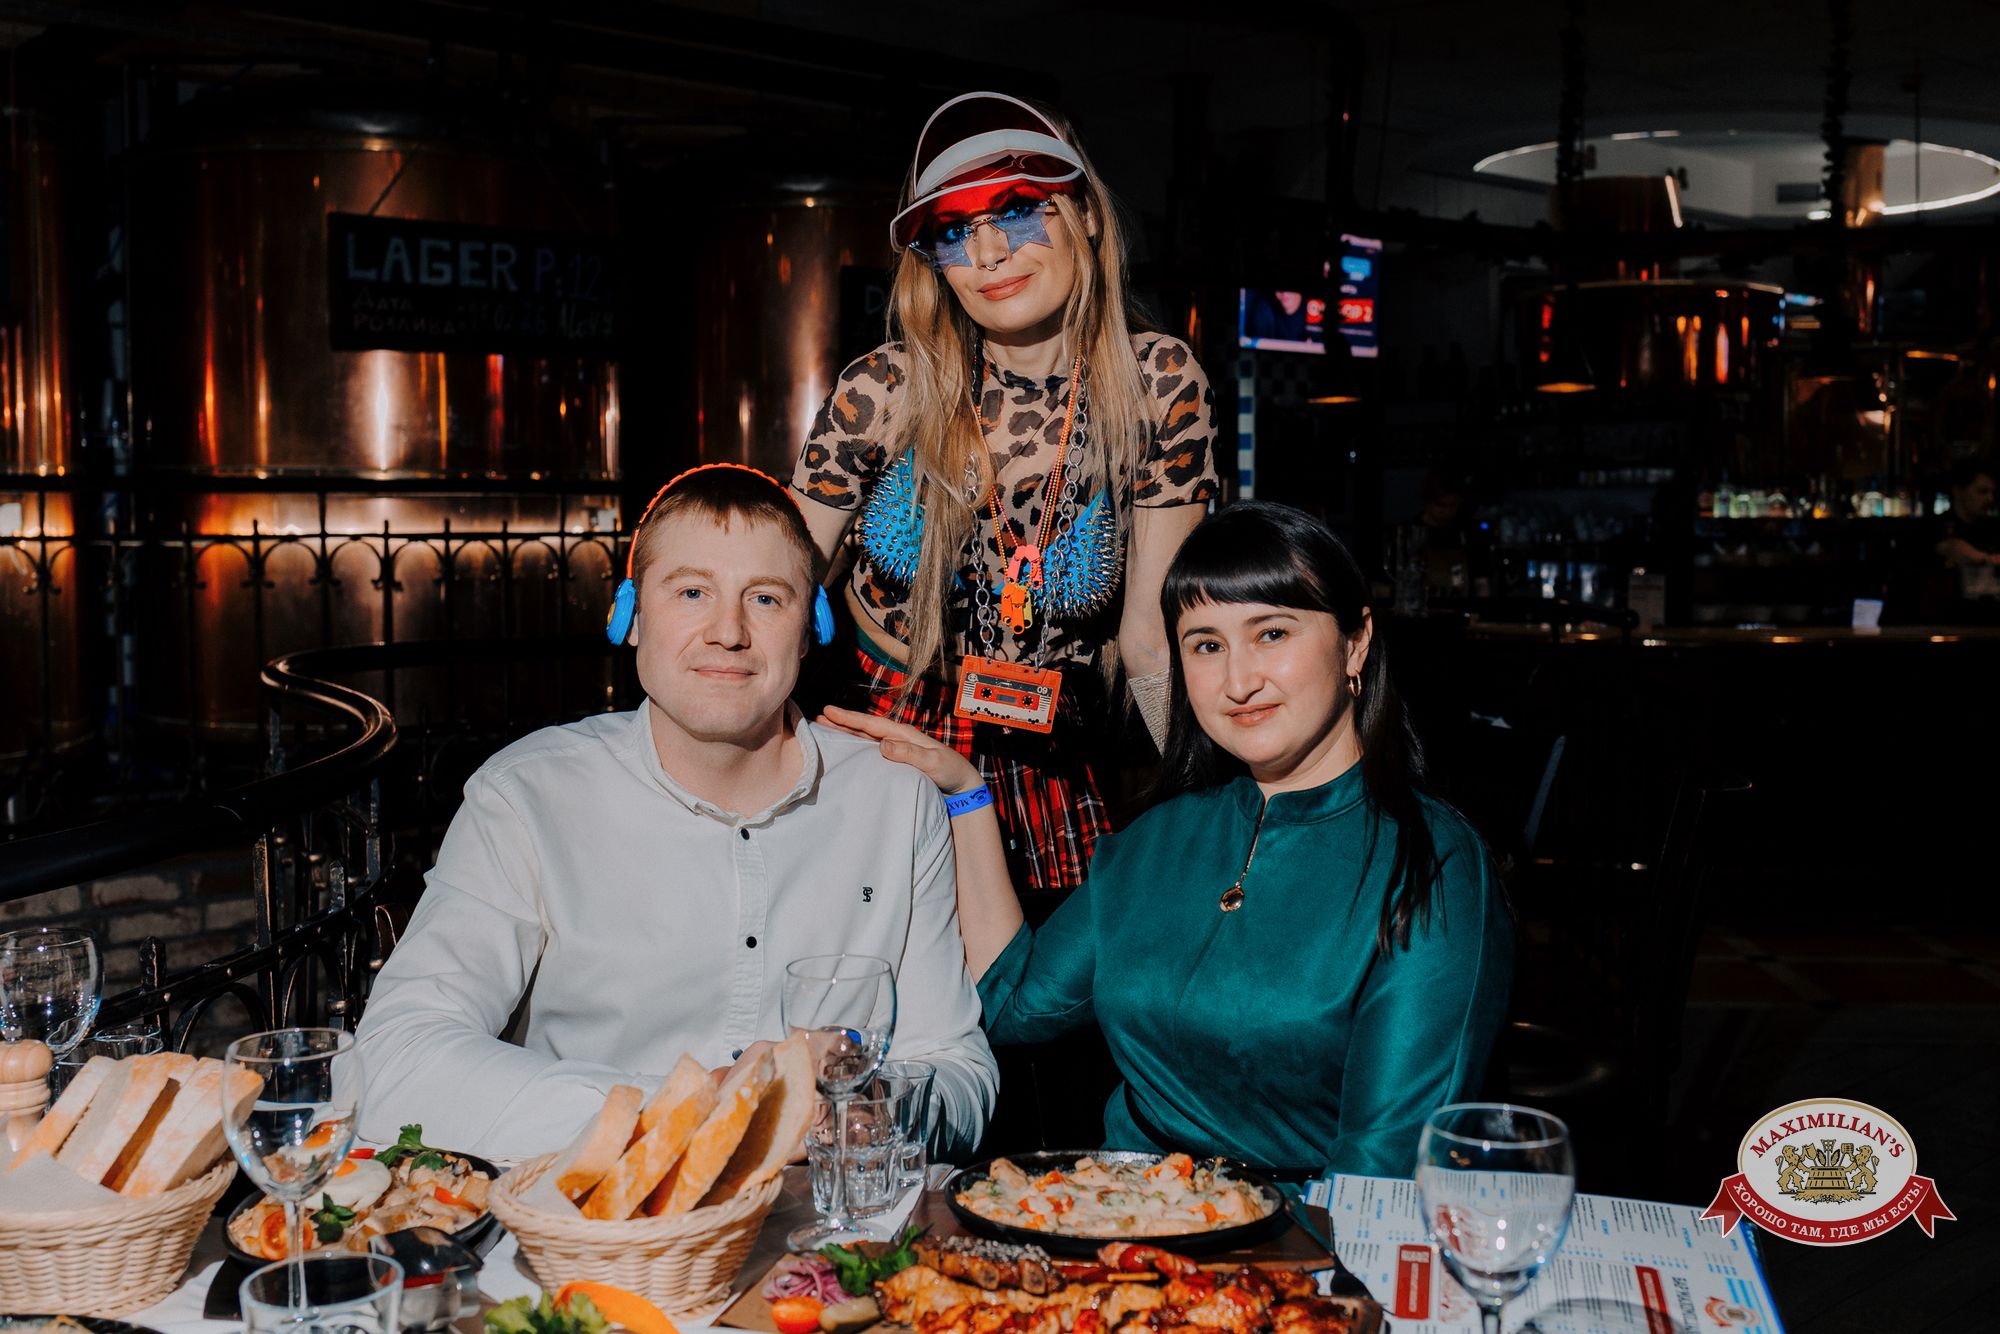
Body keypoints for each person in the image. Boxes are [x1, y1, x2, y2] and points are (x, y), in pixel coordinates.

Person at [826, 502, 1513, 1181]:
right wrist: (965, 793)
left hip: (1310, 1236)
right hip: (1125, 1215)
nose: (1239, 682)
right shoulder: (1157, 838)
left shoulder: (1434, 864)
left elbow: (1383, 1171)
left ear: (1355, 642)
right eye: (1207, 645)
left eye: (1272, 634)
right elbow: (1013, 1005)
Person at [355, 465, 998, 1160]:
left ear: (810, 628)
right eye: (692, 592)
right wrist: (698, 1112)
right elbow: (394, 1062)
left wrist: (863, 1108)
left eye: (766, 599)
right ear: (630, 618)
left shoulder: (895, 801)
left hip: (822, 1218)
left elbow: (957, 1070)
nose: (728, 632)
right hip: (599, 1217)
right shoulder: (527, 797)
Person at [790, 91, 1219, 912]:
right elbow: (778, 591)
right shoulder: (885, 389)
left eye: (1019, 210)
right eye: (954, 231)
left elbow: (1150, 639)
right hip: (883, 754)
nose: (989, 254)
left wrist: (1218, 817)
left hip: (1050, 763)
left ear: (1084, 214)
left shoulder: (1159, 384)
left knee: (1052, 986)